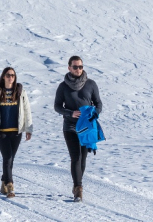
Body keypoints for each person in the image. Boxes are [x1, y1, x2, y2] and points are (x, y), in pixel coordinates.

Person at [54, 56, 102, 202]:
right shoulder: (63, 86)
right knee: (75, 157)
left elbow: (99, 103)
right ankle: (78, 188)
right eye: (75, 67)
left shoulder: (91, 84)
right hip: (70, 126)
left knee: (83, 158)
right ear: (69, 68)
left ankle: (77, 185)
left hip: (86, 127)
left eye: (80, 67)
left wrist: (94, 113)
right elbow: (57, 106)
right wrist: (70, 113)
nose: (78, 69)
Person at [0, 66, 33, 198]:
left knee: (10, 159)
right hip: (1, 132)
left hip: (16, 131)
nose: (10, 77)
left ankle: (3, 182)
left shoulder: (20, 91)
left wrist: (28, 129)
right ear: (3, 77)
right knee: (7, 157)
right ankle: (10, 186)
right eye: (8, 75)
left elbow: (27, 110)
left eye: (12, 75)